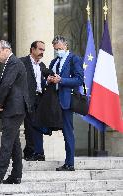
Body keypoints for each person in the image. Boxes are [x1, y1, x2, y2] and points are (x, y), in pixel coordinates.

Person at [0, 40, 30, 185]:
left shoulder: (14, 63)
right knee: (14, 143)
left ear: (6, 50)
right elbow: (5, 85)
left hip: (13, 108)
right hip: (15, 108)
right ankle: (16, 175)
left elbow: (6, 85)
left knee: (6, 143)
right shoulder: (10, 63)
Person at [47, 35, 84, 171]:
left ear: (66, 46)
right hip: (53, 101)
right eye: (56, 49)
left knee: (68, 131)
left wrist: (61, 80)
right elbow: (50, 77)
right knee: (44, 124)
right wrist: (50, 80)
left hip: (66, 101)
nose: (58, 51)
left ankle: (70, 163)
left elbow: (79, 80)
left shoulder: (74, 59)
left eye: (60, 48)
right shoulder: (54, 62)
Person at [20, 41, 48, 161]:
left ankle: (38, 152)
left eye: (43, 50)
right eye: (40, 49)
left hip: (40, 99)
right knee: (30, 126)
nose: (42, 52)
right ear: (32, 49)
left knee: (39, 126)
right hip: (27, 98)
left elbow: (43, 83)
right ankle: (30, 152)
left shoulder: (42, 66)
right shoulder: (22, 62)